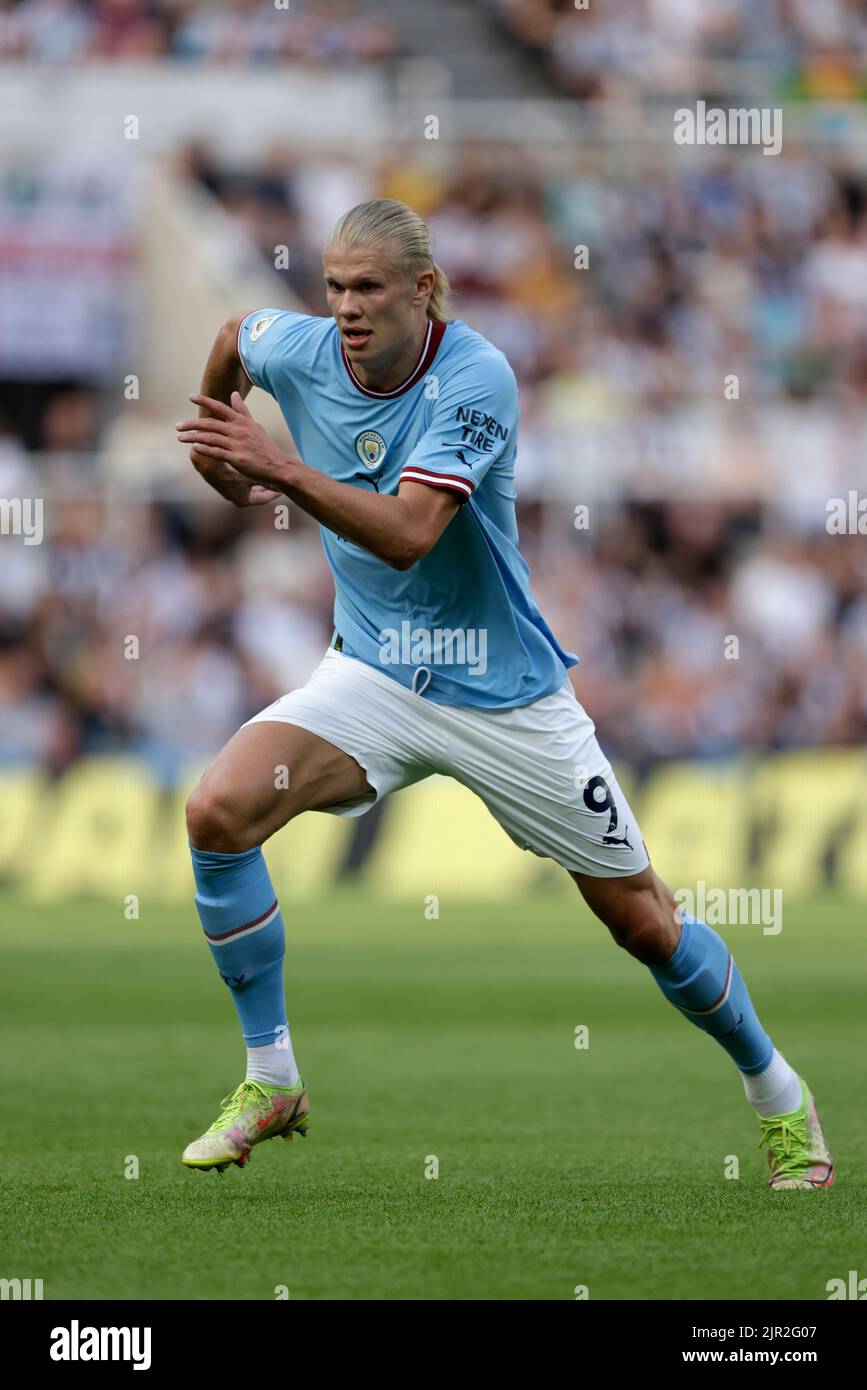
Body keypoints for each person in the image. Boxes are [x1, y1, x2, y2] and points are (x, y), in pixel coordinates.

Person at [175, 198, 833, 1190]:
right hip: (375, 670)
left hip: (505, 695)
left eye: (369, 289)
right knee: (217, 809)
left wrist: (276, 467)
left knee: (644, 922)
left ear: (423, 290)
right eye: (335, 287)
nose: (347, 308)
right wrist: (221, 459)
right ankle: (272, 1076)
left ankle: (780, 1095)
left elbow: (407, 533)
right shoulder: (294, 345)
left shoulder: (475, 376)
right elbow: (232, 337)